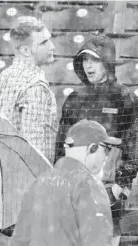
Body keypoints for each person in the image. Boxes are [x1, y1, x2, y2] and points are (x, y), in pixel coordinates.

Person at [55, 34, 138, 241]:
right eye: (84, 59)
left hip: (109, 191)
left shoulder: (125, 98)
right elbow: (60, 147)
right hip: (75, 190)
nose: (88, 66)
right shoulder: (74, 100)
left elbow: (134, 146)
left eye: (94, 60)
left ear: (107, 62)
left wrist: (121, 185)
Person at [9, 119, 119, 246]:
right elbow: (98, 241)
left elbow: (19, 240)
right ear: (92, 148)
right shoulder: (89, 186)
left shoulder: (38, 183)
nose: (107, 156)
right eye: (106, 149)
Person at [0, 16, 58, 164]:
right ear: (25, 50)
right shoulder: (36, 86)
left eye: (49, 39)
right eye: (44, 42)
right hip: (24, 174)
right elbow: (34, 149)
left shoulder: (1, 78)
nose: (52, 46)